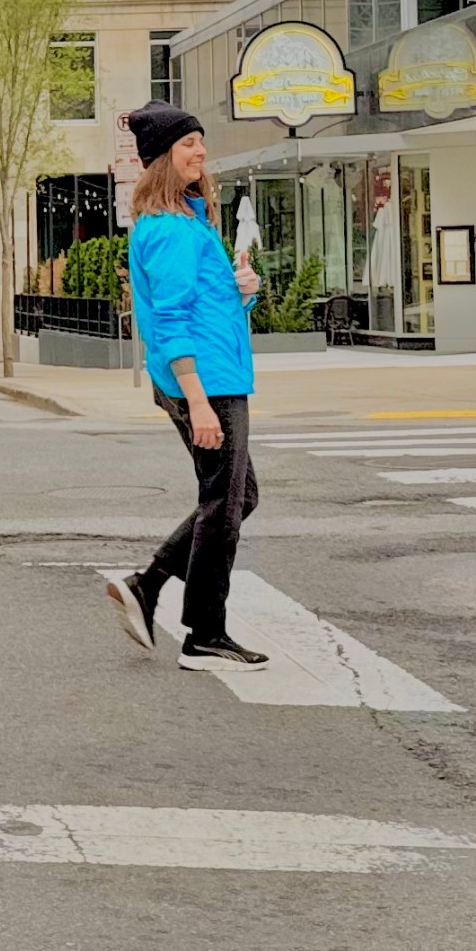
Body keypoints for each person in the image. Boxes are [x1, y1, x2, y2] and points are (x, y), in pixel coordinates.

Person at [104, 104, 271, 672]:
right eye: (187, 145)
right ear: (160, 161)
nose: (199, 152)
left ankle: (148, 585)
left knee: (237, 498)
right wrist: (197, 400)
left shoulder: (189, 222)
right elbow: (169, 321)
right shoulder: (172, 230)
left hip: (215, 376)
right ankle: (204, 634)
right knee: (224, 504)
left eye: (200, 141)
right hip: (206, 384)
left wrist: (241, 288)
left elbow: (204, 307)